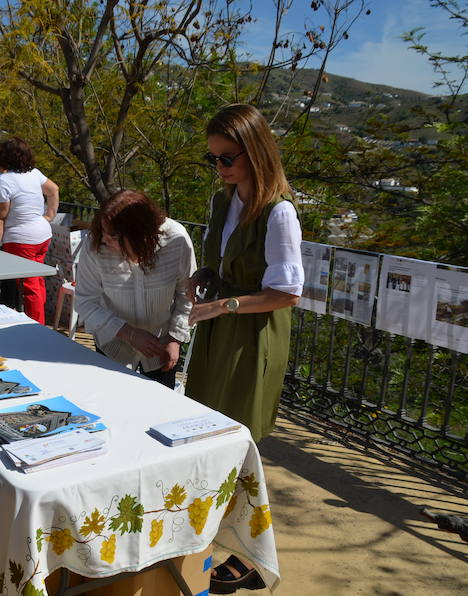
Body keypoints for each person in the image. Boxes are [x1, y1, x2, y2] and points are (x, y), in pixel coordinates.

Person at [184, 104, 303, 594]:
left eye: (228, 158)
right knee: (211, 433)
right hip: (220, 325)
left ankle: (249, 555)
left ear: (256, 153)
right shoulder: (223, 201)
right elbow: (224, 262)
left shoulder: (280, 213)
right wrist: (205, 276)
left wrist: (223, 305)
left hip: (251, 334)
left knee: (240, 441)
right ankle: (209, 537)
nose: (221, 169)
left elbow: (286, 293)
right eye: (213, 160)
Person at [74, 190, 196, 388]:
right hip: (112, 344)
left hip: (162, 345)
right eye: (103, 232)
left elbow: (187, 295)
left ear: (139, 235)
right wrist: (128, 333)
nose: (104, 239)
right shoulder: (95, 244)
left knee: (158, 410)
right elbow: (85, 301)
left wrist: (175, 338)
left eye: (112, 236)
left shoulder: (176, 240)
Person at [0, 137, 59, 324]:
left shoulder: (3, 181)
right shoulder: (34, 173)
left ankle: (36, 327)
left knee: (29, 287)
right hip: (43, 235)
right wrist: (49, 216)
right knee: (37, 281)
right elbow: (53, 190)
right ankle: (39, 321)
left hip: (21, 240)